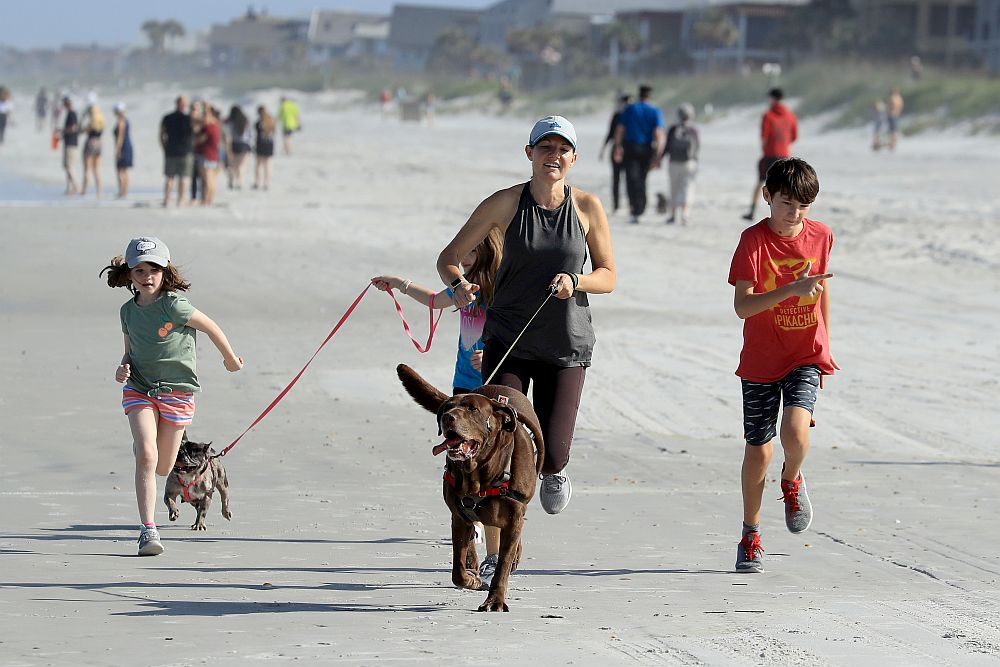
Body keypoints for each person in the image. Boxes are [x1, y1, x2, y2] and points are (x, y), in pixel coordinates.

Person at [437, 115, 616, 524]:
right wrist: (459, 285)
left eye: (562, 150)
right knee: (498, 437)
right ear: (529, 153)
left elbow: (608, 275)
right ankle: (494, 534)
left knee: (553, 454)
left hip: (566, 344)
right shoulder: (504, 202)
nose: (553, 156)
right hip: (508, 341)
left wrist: (577, 280)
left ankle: (554, 471)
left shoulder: (587, 206)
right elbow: (447, 258)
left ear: (574, 158)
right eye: (545, 148)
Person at [727, 157, 837, 573]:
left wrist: (826, 347)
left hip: (805, 353)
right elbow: (742, 306)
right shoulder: (752, 242)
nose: (795, 214)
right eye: (788, 203)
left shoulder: (822, 235)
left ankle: (792, 480)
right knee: (758, 450)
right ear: (767, 196)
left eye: (804, 207)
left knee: (794, 428)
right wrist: (791, 289)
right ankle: (750, 533)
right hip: (759, 359)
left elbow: (822, 293)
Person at [100, 236, 243, 556]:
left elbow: (211, 327)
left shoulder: (174, 305)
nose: (147, 276)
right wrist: (122, 369)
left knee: (164, 467)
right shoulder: (127, 311)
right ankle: (148, 531)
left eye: (154, 269)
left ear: (166, 272)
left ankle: (145, 446)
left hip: (177, 394)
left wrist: (230, 359)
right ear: (129, 275)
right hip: (139, 390)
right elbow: (129, 352)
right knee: (147, 457)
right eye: (139, 270)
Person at [612, 84, 665, 224]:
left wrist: (617, 146)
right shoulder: (655, 111)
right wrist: (659, 154)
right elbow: (658, 133)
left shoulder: (630, 108)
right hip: (647, 148)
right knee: (642, 178)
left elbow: (620, 129)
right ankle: (641, 206)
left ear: (639, 94)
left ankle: (635, 208)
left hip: (631, 147)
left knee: (631, 179)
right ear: (650, 96)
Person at [743, 88, 798, 222]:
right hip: (784, 156)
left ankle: (752, 211)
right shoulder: (791, 116)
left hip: (770, 155)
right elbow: (794, 137)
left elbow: (764, 137)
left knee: (761, 182)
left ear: (773, 98)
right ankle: (788, 211)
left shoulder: (768, 115)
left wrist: (766, 147)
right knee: (785, 186)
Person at [663, 103, 700, 225]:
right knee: (688, 187)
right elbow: (697, 147)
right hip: (689, 163)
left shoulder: (673, 129)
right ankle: (685, 214)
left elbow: (667, 147)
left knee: (674, 188)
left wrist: (659, 159)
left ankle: (673, 215)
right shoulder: (694, 130)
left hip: (674, 162)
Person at [597, 94, 631, 213]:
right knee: (617, 178)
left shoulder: (624, 116)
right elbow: (611, 133)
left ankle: (625, 205)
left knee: (626, 178)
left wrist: (604, 149)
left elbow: (611, 133)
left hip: (626, 150)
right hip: (621, 149)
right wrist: (603, 148)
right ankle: (617, 205)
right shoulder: (618, 116)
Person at [160, 96, 194, 207]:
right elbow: (198, 131)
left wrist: (164, 147)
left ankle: (167, 200)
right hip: (185, 152)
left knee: (170, 177)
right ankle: (180, 201)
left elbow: (161, 135)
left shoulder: (167, 117)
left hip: (171, 151)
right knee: (183, 178)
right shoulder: (189, 119)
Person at [195, 105, 221, 206]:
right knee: (211, 179)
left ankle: (206, 200)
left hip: (206, 154)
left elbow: (200, 140)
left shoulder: (209, 128)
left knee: (207, 180)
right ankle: (209, 200)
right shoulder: (216, 126)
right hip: (213, 155)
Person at [80, 100, 105, 198]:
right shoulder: (101, 122)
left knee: (87, 169)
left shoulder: (92, 123)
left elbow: (81, 130)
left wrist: (82, 118)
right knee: (97, 169)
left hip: (91, 143)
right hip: (99, 143)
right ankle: (99, 190)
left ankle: (84, 190)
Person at [225, 105, 252, 190]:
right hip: (244, 144)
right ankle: (240, 182)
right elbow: (250, 134)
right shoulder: (246, 120)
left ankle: (232, 181)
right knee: (241, 165)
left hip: (234, 144)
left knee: (233, 164)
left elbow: (227, 133)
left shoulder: (230, 121)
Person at [112, 102, 133, 199]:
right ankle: (125, 191)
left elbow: (120, 137)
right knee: (125, 170)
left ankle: (122, 191)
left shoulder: (120, 122)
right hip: (128, 145)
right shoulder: (126, 120)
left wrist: (117, 150)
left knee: (120, 169)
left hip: (123, 146)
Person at [60, 96, 80, 194]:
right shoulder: (69, 114)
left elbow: (73, 128)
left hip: (71, 143)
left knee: (69, 166)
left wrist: (63, 130)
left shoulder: (72, 114)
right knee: (67, 166)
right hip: (68, 142)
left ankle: (76, 186)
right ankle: (69, 187)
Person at [253, 105, 276, 190]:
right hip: (269, 144)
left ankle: (257, 182)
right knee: (268, 165)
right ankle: (266, 183)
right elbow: (274, 132)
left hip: (260, 144)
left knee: (258, 165)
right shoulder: (271, 121)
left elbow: (256, 135)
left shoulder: (258, 123)